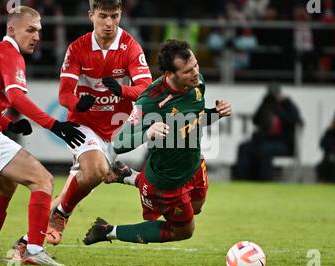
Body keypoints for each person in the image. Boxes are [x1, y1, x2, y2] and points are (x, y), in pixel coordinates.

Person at [0, 6, 85, 266]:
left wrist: (8, 123)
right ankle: (33, 249)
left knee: (6, 185)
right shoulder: (10, 55)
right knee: (43, 179)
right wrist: (55, 125)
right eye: (30, 30)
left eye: (39, 31)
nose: (36, 36)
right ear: (11, 30)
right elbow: (16, 97)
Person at [83, 39, 232, 246]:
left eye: (196, 65)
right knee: (184, 231)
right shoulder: (150, 101)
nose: (196, 73)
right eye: (188, 71)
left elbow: (193, 119)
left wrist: (215, 114)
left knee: (197, 207)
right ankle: (107, 231)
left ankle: (128, 176)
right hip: (167, 182)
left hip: (195, 164)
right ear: (171, 74)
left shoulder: (198, 84)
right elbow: (119, 142)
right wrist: (147, 133)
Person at [41, 0, 152, 247]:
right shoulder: (78, 48)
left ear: (121, 14)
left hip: (113, 130)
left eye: (114, 16)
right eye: (103, 16)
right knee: (98, 169)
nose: (109, 23)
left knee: (85, 179)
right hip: (82, 125)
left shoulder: (130, 47)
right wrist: (79, 102)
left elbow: (145, 89)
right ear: (91, 15)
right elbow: (64, 95)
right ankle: (61, 216)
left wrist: (122, 90)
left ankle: (28, 240)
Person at [233, 83, 303, 181]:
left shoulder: (287, 105)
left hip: (283, 143)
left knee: (265, 150)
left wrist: (280, 107)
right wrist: (264, 104)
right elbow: (255, 120)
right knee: (243, 148)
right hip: (265, 140)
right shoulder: (266, 104)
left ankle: (265, 180)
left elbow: (296, 121)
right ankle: (242, 178)